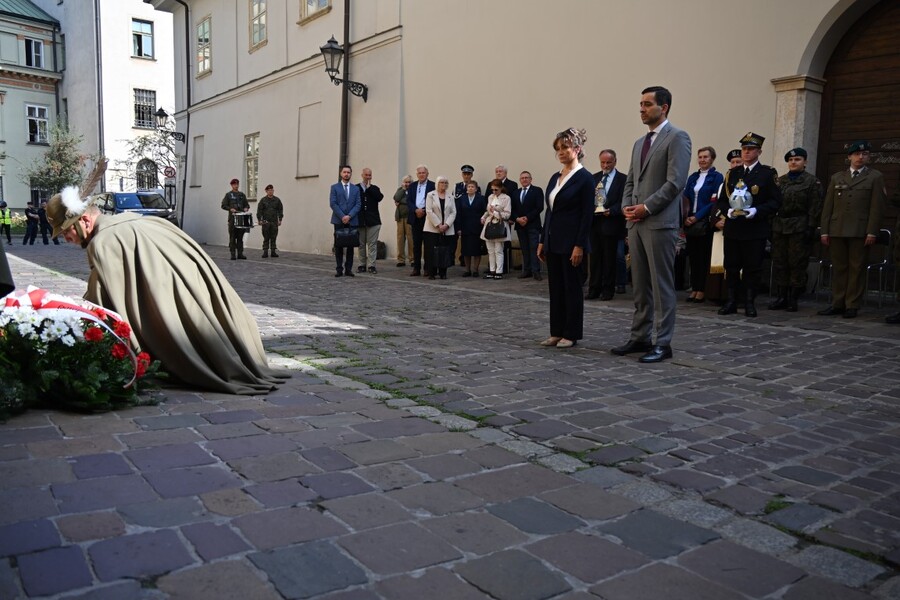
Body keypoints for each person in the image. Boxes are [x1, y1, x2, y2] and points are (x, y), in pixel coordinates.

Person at [45, 190, 287, 395]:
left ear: (84, 220)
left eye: (66, 232)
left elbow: (106, 305)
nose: (67, 239)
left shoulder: (104, 242)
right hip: (196, 295)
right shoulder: (143, 220)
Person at [611, 86, 692, 363]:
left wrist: (647, 207)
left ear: (664, 107)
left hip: (659, 223)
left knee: (661, 286)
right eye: (640, 104)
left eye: (647, 104)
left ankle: (663, 342)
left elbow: (676, 182)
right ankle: (640, 336)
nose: (642, 109)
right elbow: (631, 180)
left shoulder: (677, 137)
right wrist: (626, 206)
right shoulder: (638, 143)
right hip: (636, 223)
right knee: (640, 284)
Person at [537, 128, 594, 348]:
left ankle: (571, 333)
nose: (561, 152)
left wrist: (579, 245)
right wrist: (542, 240)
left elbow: (587, 215)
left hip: (572, 243)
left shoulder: (585, 178)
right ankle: (556, 331)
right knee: (556, 289)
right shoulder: (555, 177)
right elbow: (549, 211)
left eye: (565, 148)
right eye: (558, 149)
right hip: (553, 241)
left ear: (577, 149)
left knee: (572, 289)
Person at [716, 133, 782, 318]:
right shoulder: (733, 173)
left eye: (751, 149)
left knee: (752, 268)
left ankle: (749, 302)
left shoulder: (767, 174)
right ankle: (731, 301)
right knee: (732, 266)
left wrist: (756, 211)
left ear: (759, 152)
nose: (746, 152)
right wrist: (727, 211)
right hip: (734, 228)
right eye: (744, 149)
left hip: (755, 229)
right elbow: (722, 200)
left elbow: (776, 201)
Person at [818, 140, 886, 319]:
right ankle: (837, 302)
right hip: (837, 228)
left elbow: (876, 207)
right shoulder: (837, 177)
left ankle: (852, 304)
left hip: (859, 230)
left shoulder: (875, 177)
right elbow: (828, 206)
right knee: (839, 267)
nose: (860, 157)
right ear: (849, 157)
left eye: (864, 154)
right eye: (857, 154)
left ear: (868, 157)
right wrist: (824, 230)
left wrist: (872, 231)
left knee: (857, 268)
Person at [769, 148, 823, 312]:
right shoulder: (780, 181)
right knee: (780, 262)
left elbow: (816, 206)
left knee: (797, 263)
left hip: (799, 227)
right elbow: (773, 203)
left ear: (805, 162)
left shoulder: (812, 182)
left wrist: (811, 227)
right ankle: (782, 296)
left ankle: (793, 298)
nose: (793, 162)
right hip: (780, 226)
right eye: (791, 160)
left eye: (797, 159)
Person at [681, 147, 723, 303]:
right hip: (690, 222)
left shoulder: (717, 177)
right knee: (693, 258)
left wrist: (697, 217)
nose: (702, 160)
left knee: (703, 257)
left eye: (706, 157)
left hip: (704, 222)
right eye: (700, 157)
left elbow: (714, 201)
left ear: (712, 159)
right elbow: (685, 198)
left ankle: (702, 289)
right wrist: (686, 217)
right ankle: (694, 288)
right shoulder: (693, 177)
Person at [586, 149, 626, 300]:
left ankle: (608, 290)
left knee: (610, 259)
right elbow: (588, 199)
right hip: (595, 224)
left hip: (612, 224)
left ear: (615, 161)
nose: (605, 165)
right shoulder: (594, 178)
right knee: (595, 258)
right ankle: (593, 289)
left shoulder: (623, 179)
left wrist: (613, 211)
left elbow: (625, 200)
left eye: (609, 162)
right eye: (603, 162)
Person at [330, 165, 361, 277]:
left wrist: (349, 216)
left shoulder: (356, 189)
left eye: (348, 172)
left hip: (352, 221)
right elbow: (333, 203)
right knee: (338, 245)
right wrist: (343, 216)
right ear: (341, 173)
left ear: (351, 174)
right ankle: (339, 269)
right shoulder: (335, 187)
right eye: (344, 172)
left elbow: (358, 204)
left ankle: (349, 269)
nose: (346, 174)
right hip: (339, 220)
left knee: (350, 246)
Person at [423, 176, 457, 280]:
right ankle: (431, 272)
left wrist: (446, 225)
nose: (444, 184)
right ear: (437, 184)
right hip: (432, 228)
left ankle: (443, 272)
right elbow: (429, 211)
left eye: (446, 183)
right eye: (441, 182)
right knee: (431, 251)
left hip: (446, 229)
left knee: (444, 251)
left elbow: (453, 212)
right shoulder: (430, 195)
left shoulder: (450, 196)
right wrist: (438, 224)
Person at [513, 171, 544, 281]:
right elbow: (513, 209)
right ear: (520, 180)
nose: (524, 180)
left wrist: (527, 218)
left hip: (532, 224)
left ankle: (536, 271)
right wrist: (518, 219)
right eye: (522, 178)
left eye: (526, 178)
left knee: (534, 247)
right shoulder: (516, 193)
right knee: (524, 248)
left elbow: (539, 207)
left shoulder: (537, 190)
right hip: (520, 225)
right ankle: (526, 270)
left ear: (531, 179)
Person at [406, 165, 435, 276]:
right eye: (419, 173)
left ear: (427, 174)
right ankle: (416, 268)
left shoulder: (432, 185)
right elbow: (408, 201)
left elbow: (434, 201)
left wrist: (423, 210)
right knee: (416, 244)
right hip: (415, 217)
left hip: (427, 218)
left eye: (424, 173)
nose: (421, 175)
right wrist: (415, 210)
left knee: (428, 244)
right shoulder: (412, 186)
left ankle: (427, 268)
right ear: (417, 174)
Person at [480, 178, 512, 280]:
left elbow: (507, 214)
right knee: (490, 250)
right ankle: (492, 270)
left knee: (498, 250)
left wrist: (495, 213)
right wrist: (484, 217)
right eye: (492, 190)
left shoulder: (506, 198)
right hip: (489, 225)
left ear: (501, 188)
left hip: (500, 224)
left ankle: (499, 271)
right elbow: (487, 210)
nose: (494, 192)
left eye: (496, 190)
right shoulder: (490, 197)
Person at [356, 168, 384, 274]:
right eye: (366, 175)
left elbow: (380, 198)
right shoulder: (356, 188)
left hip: (373, 220)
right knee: (361, 244)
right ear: (362, 175)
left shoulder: (375, 188)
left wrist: (369, 188)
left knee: (372, 244)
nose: (368, 177)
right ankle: (361, 264)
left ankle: (371, 265)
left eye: (369, 175)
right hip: (360, 220)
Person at [454, 165, 480, 266]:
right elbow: (455, 200)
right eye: (464, 174)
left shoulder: (477, 188)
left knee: (475, 247)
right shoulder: (457, 186)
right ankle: (464, 263)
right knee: (464, 246)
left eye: (468, 174)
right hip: (462, 219)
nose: (466, 176)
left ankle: (474, 268)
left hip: (474, 223)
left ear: (471, 175)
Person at [221, 178, 249, 260]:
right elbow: (223, 205)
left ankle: (240, 253)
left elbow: (246, 205)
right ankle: (233, 254)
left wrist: (246, 208)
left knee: (240, 237)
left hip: (241, 219)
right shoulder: (228, 195)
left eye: (237, 184)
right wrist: (230, 209)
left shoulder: (242, 195)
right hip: (233, 219)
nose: (236, 186)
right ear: (232, 185)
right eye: (234, 184)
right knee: (233, 237)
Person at [256, 184, 283, 258]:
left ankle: (273, 251)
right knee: (266, 237)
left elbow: (280, 210)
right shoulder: (263, 200)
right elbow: (259, 211)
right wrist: (259, 220)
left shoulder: (277, 200)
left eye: (272, 190)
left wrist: (280, 219)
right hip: (266, 222)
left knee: (274, 237)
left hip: (274, 222)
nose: (271, 192)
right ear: (266, 191)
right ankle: (265, 251)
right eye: (269, 190)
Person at [393, 175, 413, 267]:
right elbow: (396, 198)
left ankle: (412, 259)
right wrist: (403, 189)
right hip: (400, 217)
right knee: (400, 238)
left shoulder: (413, 190)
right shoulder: (400, 190)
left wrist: (401, 202)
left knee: (411, 238)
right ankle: (401, 259)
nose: (407, 184)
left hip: (410, 217)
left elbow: (409, 201)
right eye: (406, 182)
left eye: (409, 182)